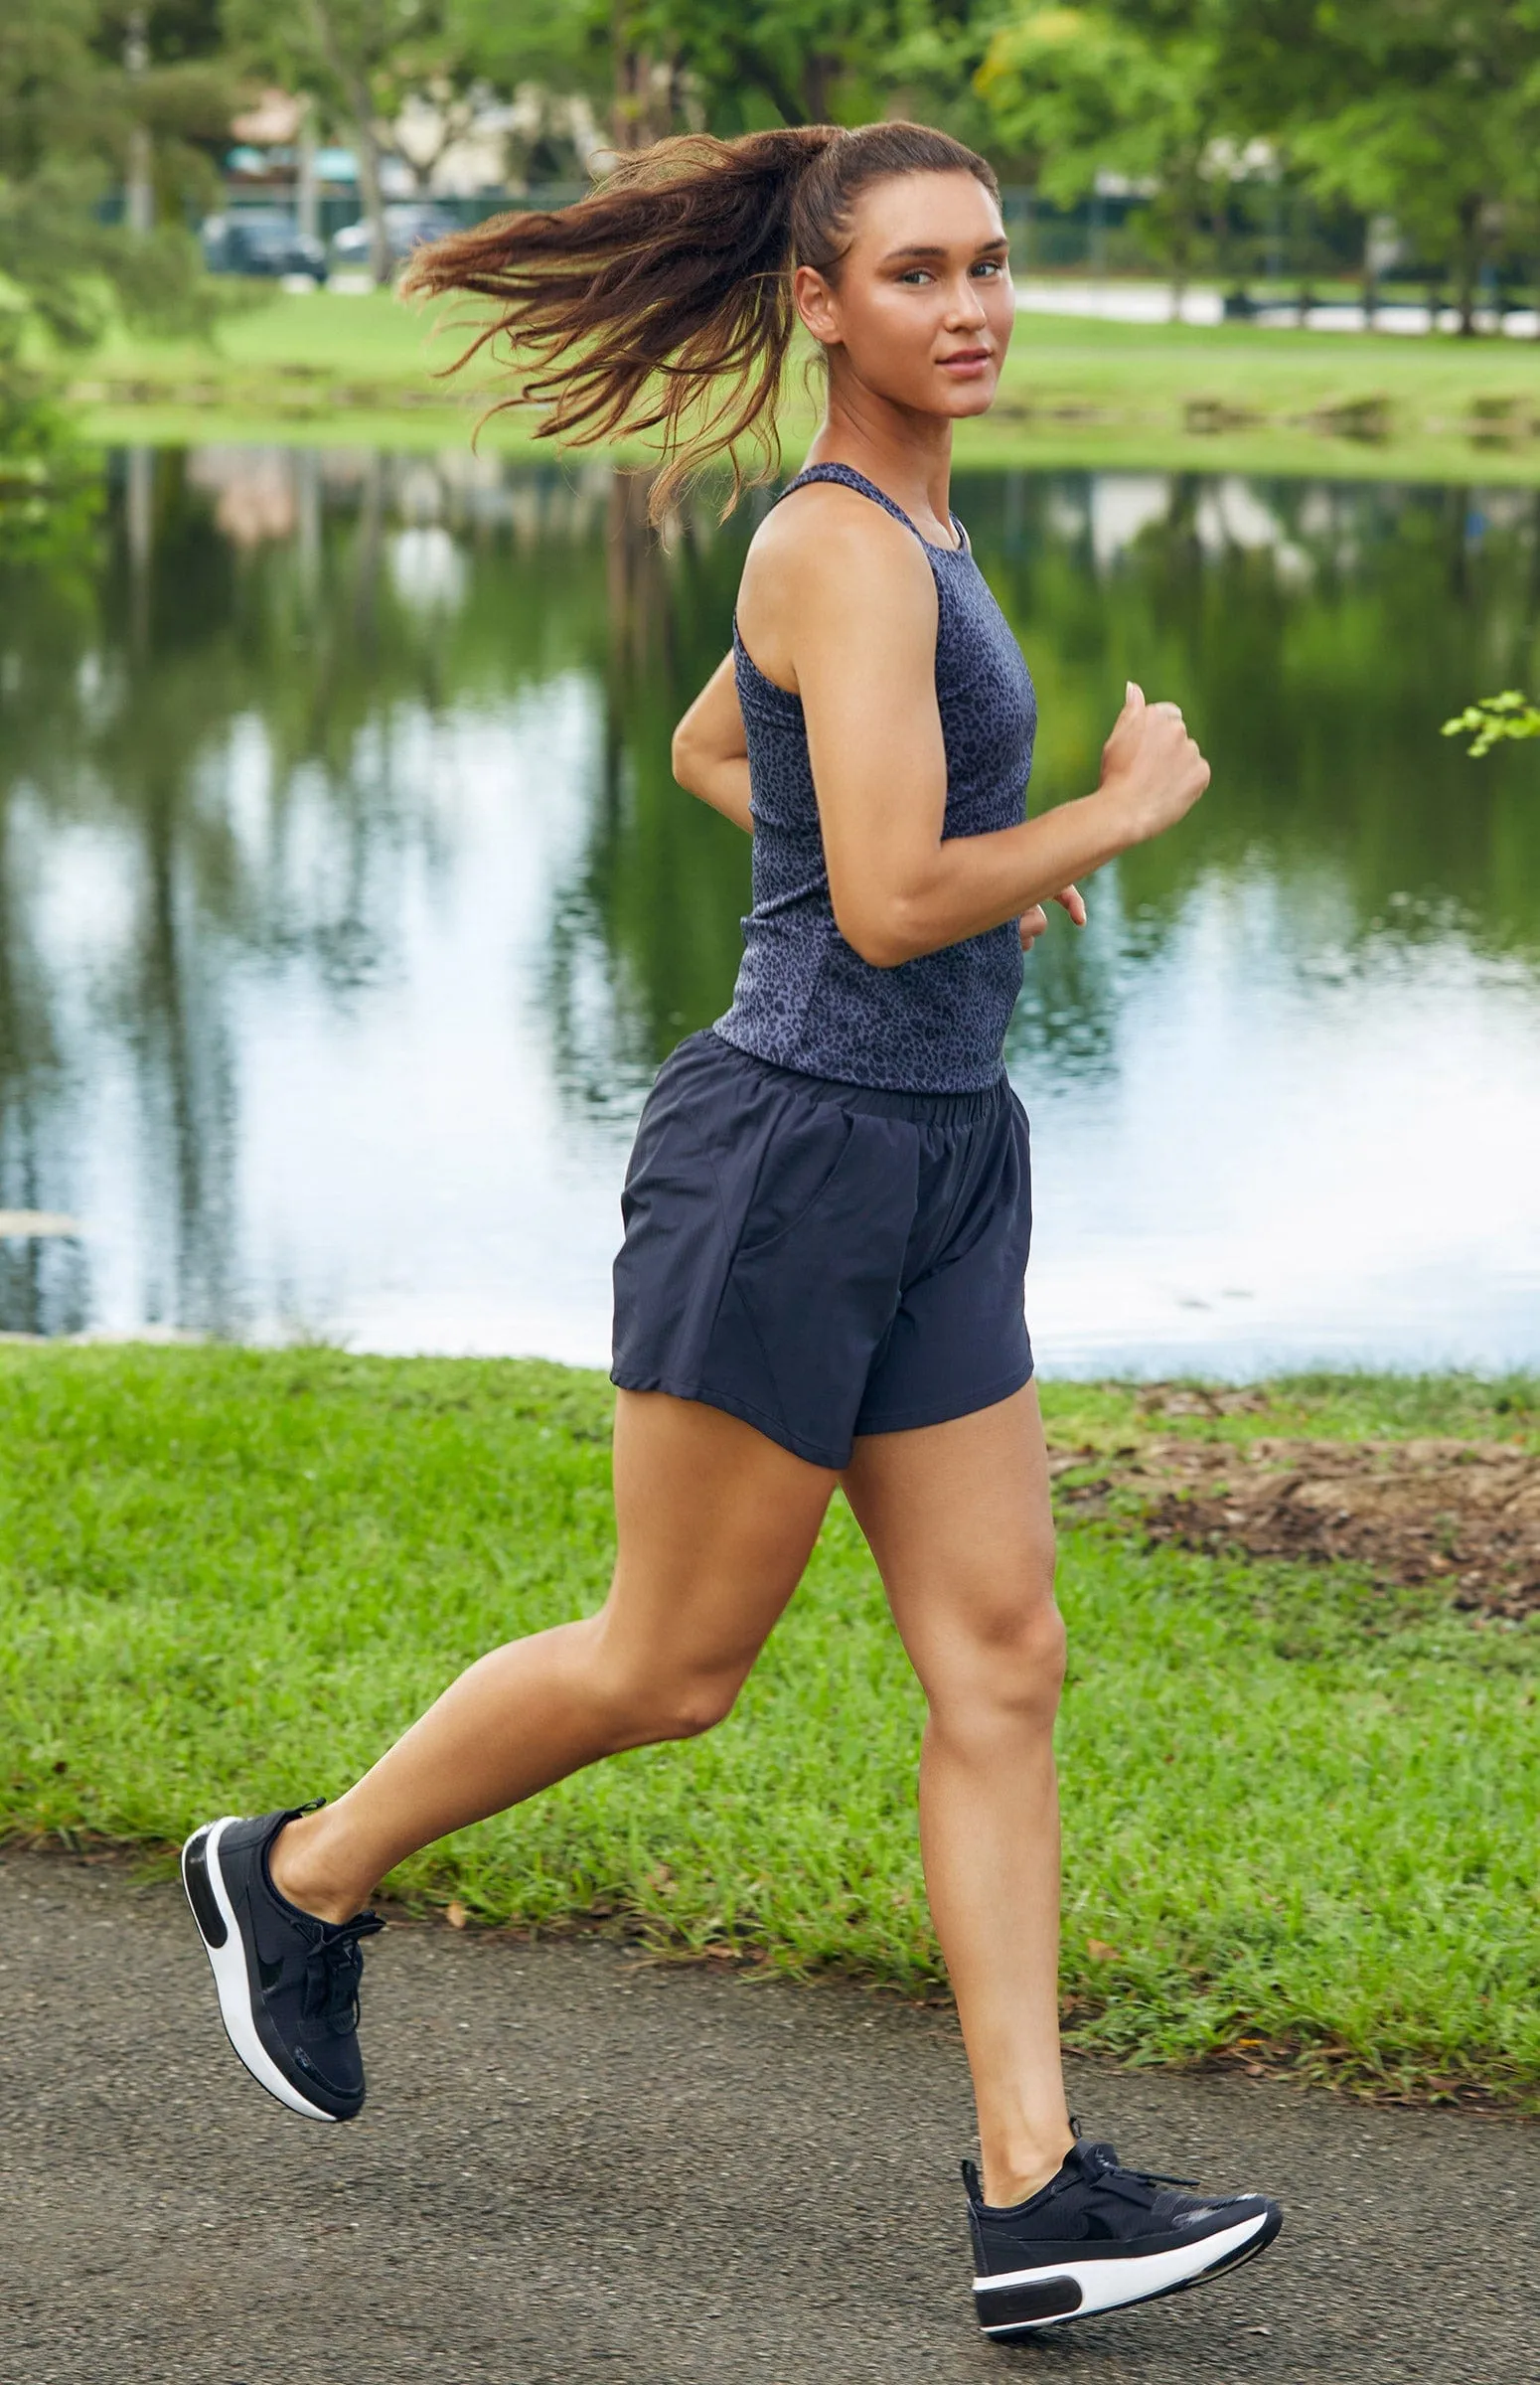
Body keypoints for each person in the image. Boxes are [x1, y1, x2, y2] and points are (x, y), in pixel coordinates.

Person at [180, 121, 1282, 2340]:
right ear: (819, 304)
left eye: (988, 264)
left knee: (1002, 1661)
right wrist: (1104, 813)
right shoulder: (841, 544)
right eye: (914, 275)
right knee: (670, 1666)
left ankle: (1034, 2190)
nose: (967, 308)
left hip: (944, 1149)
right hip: (787, 1157)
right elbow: (871, 908)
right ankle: (289, 1873)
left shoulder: (909, 535)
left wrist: (990, 840)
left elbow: (725, 755)